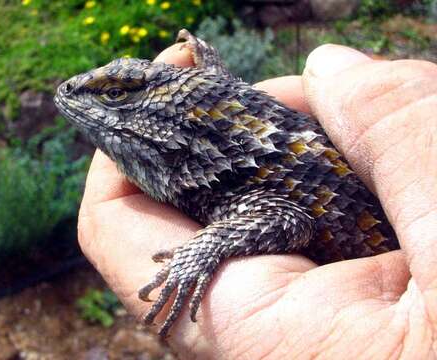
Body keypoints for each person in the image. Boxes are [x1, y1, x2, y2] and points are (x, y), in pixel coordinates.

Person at [77, 43, 437, 358]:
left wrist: (200, 251)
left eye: (114, 97)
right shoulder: (216, 166)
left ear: (171, 122)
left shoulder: (226, 178)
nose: (76, 96)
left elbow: (289, 221)